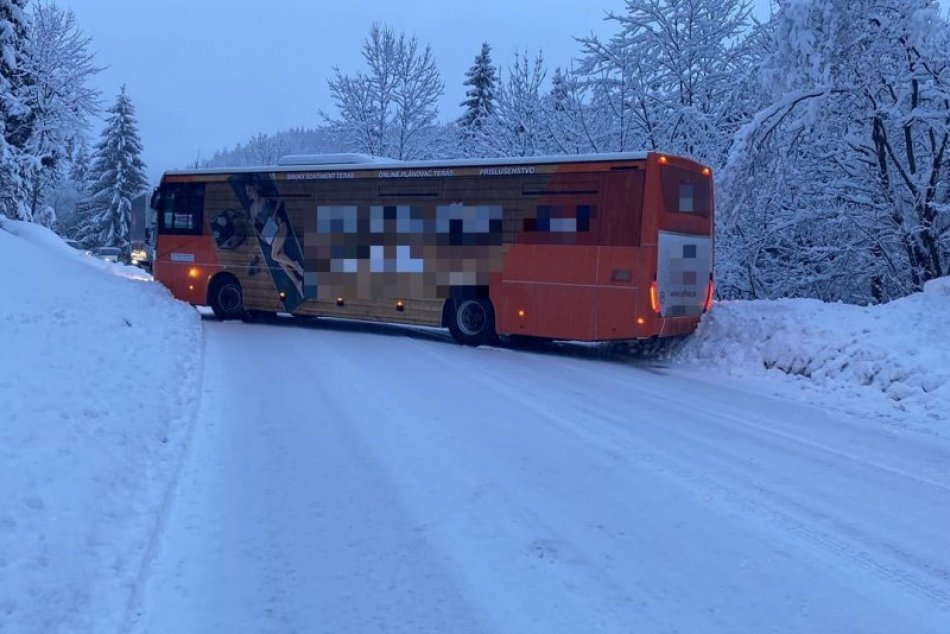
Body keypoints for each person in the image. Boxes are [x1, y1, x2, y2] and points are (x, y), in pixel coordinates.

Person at [243, 180, 306, 297]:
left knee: (274, 255)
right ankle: (297, 283)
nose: (248, 193)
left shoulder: (265, 199)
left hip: (279, 226)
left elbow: (279, 202)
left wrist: (274, 213)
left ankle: (296, 266)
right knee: (280, 259)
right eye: (247, 191)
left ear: (255, 189)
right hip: (269, 232)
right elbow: (256, 227)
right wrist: (256, 231)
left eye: (249, 190)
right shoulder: (252, 208)